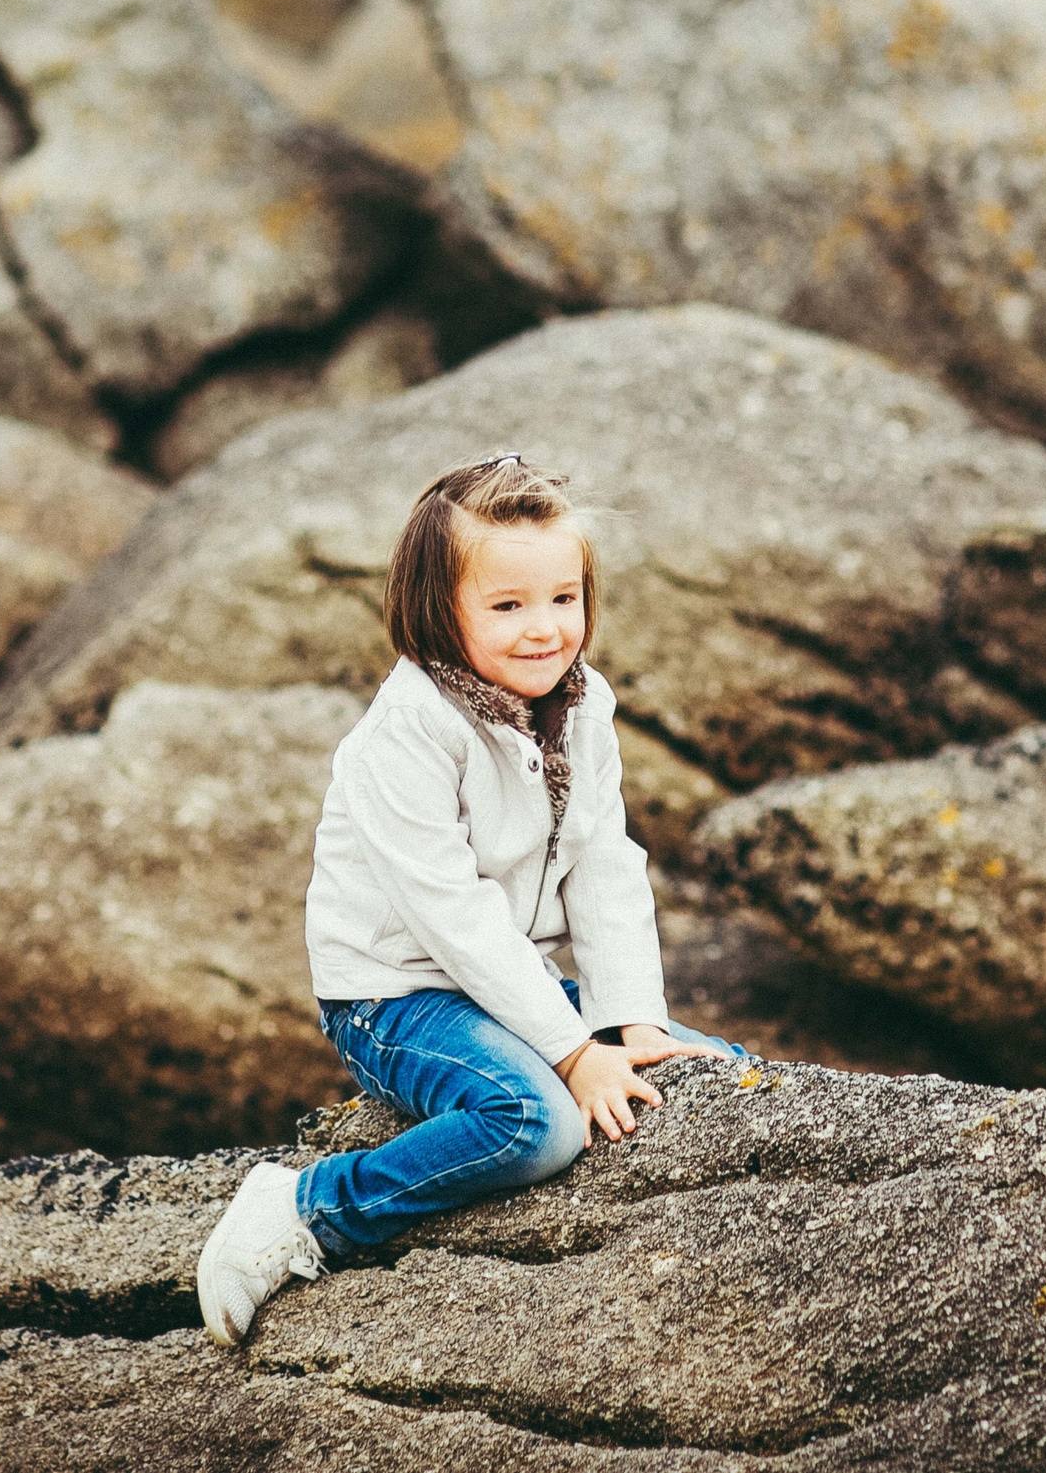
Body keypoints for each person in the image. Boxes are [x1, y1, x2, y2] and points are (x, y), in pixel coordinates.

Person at [195, 453, 747, 1344]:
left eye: (563, 597)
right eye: (507, 606)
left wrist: (629, 1019)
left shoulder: (582, 705)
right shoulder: (407, 732)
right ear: (437, 610)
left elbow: (605, 862)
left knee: (705, 1064)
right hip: (394, 995)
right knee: (537, 1122)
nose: (545, 629)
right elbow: (452, 917)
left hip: (502, 979)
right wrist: (574, 1053)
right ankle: (307, 1206)